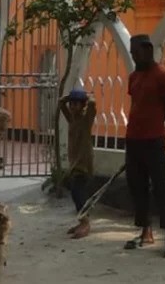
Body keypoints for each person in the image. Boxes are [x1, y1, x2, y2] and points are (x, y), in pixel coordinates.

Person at [123, 34, 165, 258]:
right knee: (136, 186)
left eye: (136, 53)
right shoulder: (133, 77)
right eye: (132, 53)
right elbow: (135, 104)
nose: (134, 57)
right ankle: (145, 230)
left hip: (153, 140)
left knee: (160, 187)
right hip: (133, 139)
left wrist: (152, 121)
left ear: (148, 50)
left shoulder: (163, 77)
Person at [60, 87, 96, 239]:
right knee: (76, 194)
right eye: (71, 104)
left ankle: (85, 222)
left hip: (83, 164)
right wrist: (68, 99)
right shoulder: (72, 119)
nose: (72, 107)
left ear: (82, 105)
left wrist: (87, 98)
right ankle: (82, 221)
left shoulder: (85, 120)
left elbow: (92, 105)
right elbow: (61, 104)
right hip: (74, 163)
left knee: (78, 193)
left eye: (76, 104)